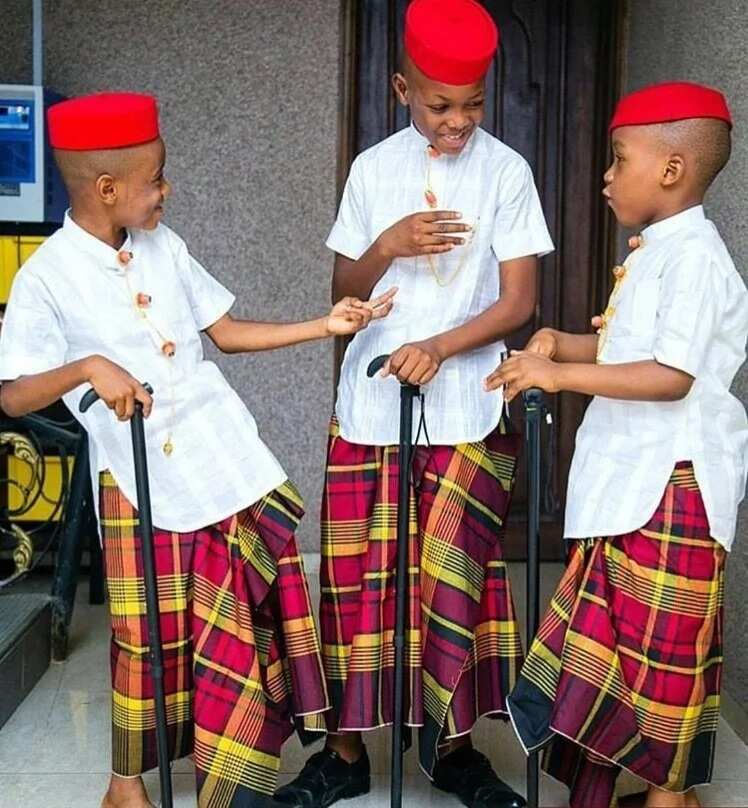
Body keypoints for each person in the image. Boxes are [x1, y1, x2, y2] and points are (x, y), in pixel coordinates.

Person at [0, 91, 396, 808]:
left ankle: (234, 776)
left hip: (220, 464)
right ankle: (125, 785)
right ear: (107, 189)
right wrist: (89, 367)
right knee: (145, 632)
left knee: (236, 616)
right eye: (156, 179)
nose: (167, 190)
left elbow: (230, 332)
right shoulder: (47, 277)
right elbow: (14, 394)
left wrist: (325, 325)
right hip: (136, 475)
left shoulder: (166, 247)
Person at [275, 2, 553, 806]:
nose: (460, 120)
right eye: (440, 105)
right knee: (360, 578)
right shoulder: (372, 170)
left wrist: (443, 346)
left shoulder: (508, 172)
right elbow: (342, 291)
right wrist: (386, 246)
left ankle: (455, 750)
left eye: (473, 102)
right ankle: (345, 752)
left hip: (466, 406)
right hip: (369, 410)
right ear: (403, 88)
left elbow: (519, 302)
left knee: (454, 579)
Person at [486, 81, 748, 808]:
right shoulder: (659, 251)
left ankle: (670, 798)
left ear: (671, 169)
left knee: (664, 652)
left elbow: (670, 373)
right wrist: (558, 344)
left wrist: (559, 373)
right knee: (614, 648)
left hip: (674, 483)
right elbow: (622, 345)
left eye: (618, 158)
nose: (605, 174)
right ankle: (659, 792)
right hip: (634, 483)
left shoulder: (694, 256)